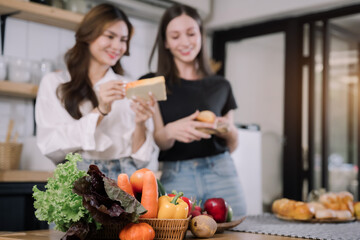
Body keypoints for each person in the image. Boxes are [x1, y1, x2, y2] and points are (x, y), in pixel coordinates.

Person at [140, 4, 246, 217]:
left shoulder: (221, 85)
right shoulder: (151, 83)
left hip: (221, 170)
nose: (185, 42)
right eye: (176, 36)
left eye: (191, 33)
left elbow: (232, 144)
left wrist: (227, 130)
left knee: (237, 232)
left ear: (201, 35)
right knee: (177, 233)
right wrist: (171, 130)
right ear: (166, 42)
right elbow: (160, 140)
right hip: (177, 175)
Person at [35, 3, 156, 180]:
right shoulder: (55, 83)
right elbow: (51, 147)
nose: (118, 46)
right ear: (88, 35)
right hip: (79, 176)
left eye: (123, 39)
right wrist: (100, 110)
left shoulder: (131, 87)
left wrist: (140, 123)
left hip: (124, 176)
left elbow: (140, 160)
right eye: (110, 36)